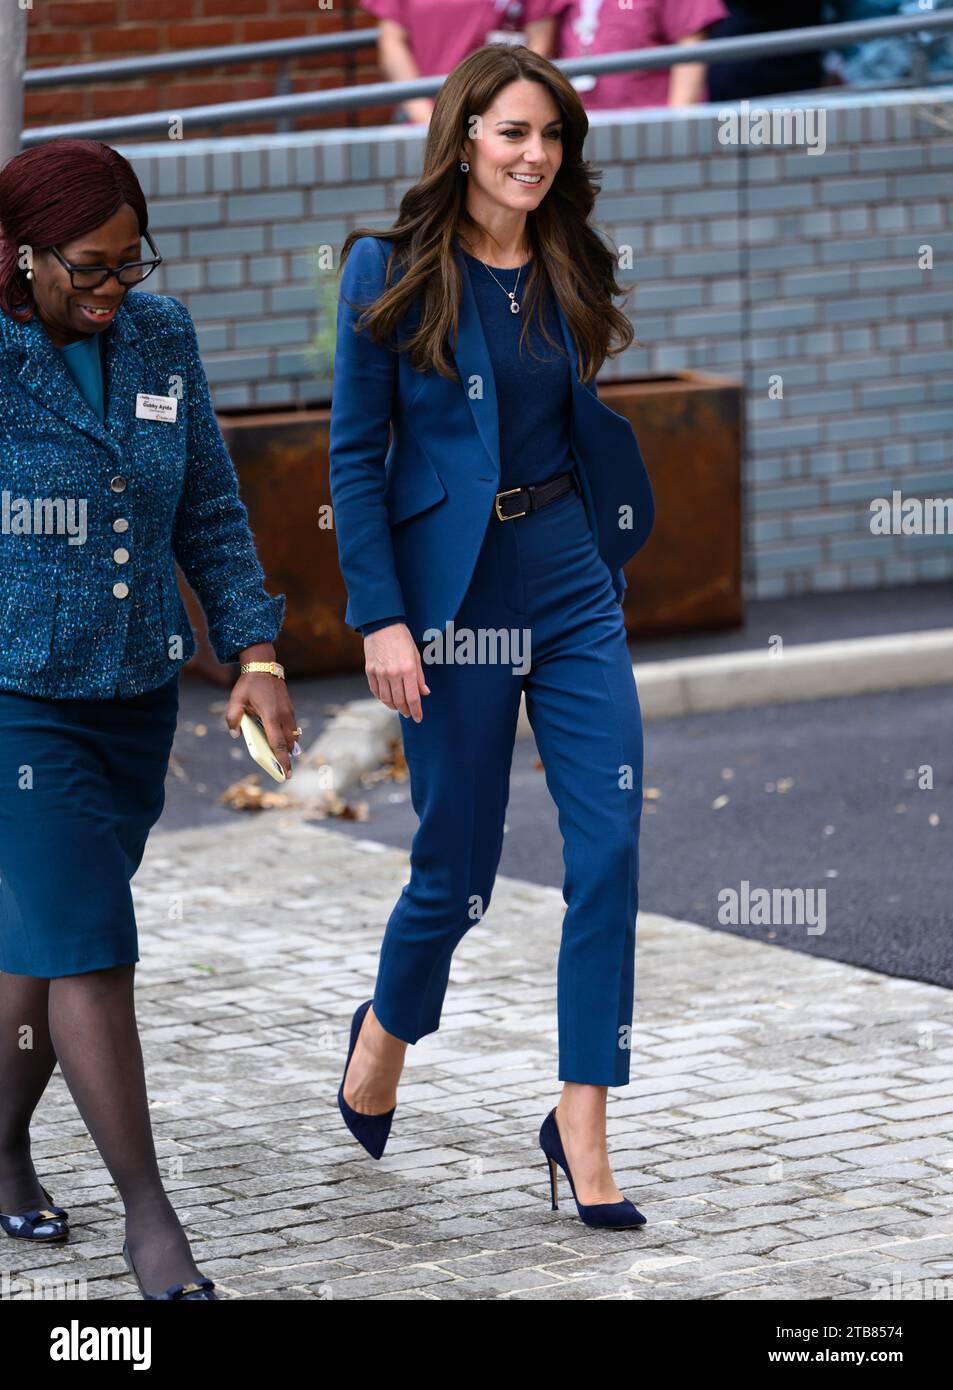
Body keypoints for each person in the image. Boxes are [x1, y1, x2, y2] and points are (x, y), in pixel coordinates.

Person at [330, 43, 656, 1227]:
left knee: (609, 843)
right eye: (513, 132)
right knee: (455, 875)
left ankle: (580, 1116)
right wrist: (380, 616)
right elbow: (352, 461)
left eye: (551, 137)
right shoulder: (389, 267)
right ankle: (386, 1026)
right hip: (448, 599)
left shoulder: (567, 260)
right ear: (463, 133)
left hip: (567, 576)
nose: (534, 155)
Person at [0, 138, 298, 1299]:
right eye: (89, 264)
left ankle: (5, 1153)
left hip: (131, 699)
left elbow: (209, 507)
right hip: (18, 705)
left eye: (132, 260)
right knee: (91, 944)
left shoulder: (161, 338)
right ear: (20, 257)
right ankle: (152, 1222)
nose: (116, 284)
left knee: (38, 949)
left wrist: (256, 649)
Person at [360, 0, 560, 124]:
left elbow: (539, 47)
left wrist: (505, 115)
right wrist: (427, 118)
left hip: (504, 119)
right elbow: (392, 42)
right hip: (427, 121)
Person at [530, 0, 729, 109]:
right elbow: (541, 49)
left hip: (649, 128)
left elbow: (690, 49)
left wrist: (678, 127)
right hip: (579, 130)